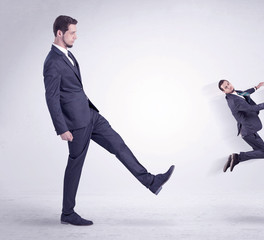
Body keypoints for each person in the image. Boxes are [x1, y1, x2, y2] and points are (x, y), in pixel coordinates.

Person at [43, 15, 174, 226]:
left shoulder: (69, 56)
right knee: (75, 165)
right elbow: (51, 98)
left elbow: (74, 89)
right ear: (60, 33)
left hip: (91, 114)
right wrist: (62, 128)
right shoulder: (52, 62)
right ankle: (67, 213)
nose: (76, 36)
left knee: (118, 145)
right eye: (72, 33)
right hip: (76, 124)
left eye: (76, 32)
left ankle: (152, 181)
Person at [218, 79, 264, 172]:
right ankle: (237, 157)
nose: (229, 86)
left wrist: (256, 87)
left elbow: (245, 93)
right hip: (248, 131)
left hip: (247, 129)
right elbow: (251, 108)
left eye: (228, 83)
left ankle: (235, 158)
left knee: (260, 151)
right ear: (224, 91)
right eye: (226, 87)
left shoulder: (235, 93)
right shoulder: (234, 101)